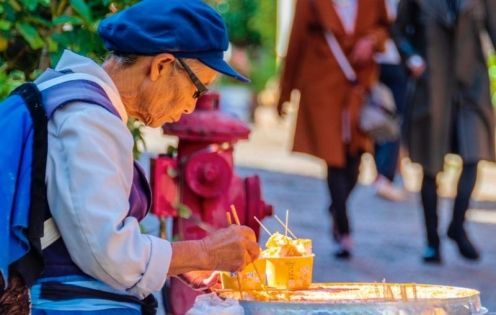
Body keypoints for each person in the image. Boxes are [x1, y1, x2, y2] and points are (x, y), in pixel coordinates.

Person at [0, 0, 260, 314]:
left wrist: (177, 262)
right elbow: (109, 255)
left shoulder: (67, 92)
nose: (192, 106)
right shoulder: (87, 120)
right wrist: (204, 252)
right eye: (197, 89)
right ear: (162, 65)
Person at [277, 0, 389, 259]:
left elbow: (385, 28)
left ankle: (336, 207)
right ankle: (345, 230)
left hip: (358, 86)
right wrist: (285, 93)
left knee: (356, 160)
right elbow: (296, 42)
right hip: (321, 85)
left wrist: (371, 40)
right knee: (334, 159)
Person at [394, 0, 496, 263]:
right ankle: (432, 241)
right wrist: (411, 57)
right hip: (433, 85)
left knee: (475, 155)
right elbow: (398, 30)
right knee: (430, 165)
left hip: (471, 85)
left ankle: (457, 225)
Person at [373, 0, 408, 202]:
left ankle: (383, 174)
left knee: (387, 119)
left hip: (390, 62)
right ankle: (384, 175)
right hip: (383, 63)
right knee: (386, 120)